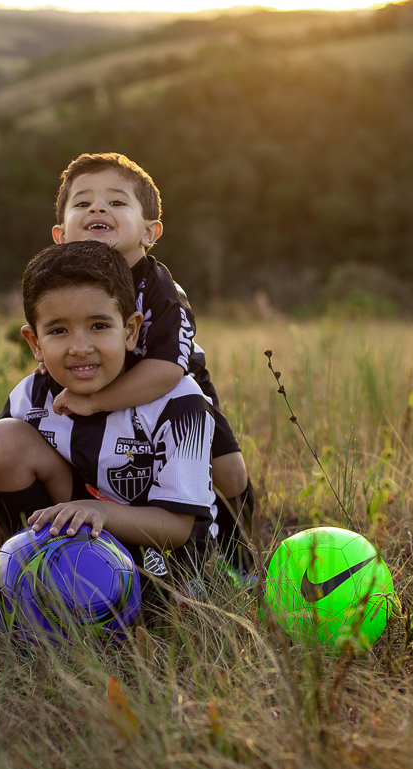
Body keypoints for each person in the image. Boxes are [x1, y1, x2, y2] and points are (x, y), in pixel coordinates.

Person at [0, 240, 218, 606]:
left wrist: (100, 512)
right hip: (80, 527)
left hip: (161, 563)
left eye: (98, 326)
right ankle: (33, 580)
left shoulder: (180, 402)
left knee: (150, 607)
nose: (80, 347)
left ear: (130, 330)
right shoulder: (31, 395)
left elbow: (177, 528)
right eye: (58, 331)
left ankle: (96, 598)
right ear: (34, 343)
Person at [49, 152, 255, 577]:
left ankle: (237, 558)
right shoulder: (58, 284)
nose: (97, 209)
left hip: (175, 395)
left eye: (116, 202)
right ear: (60, 234)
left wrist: (96, 402)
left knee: (230, 473)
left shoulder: (160, 289)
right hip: (99, 390)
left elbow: (166, 370)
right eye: (83, 202)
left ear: (149, 232)